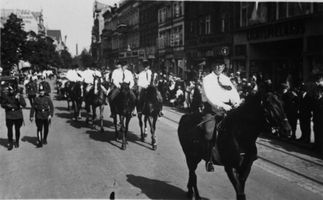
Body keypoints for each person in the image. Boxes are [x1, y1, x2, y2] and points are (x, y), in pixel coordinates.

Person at [201, 61, 241, 172]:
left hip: (228, 109)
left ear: (224, 67)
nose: (219, 67)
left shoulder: (226, 79)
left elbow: (234, 93)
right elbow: (210, 97)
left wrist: (236, 102)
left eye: (221, 65)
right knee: (209, 132)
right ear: (212, 66)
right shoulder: (207, 79)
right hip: (212, 109)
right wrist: (222, 106)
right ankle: (209, 159)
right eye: (216, 65)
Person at [1, 85, 26, 150]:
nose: (11, 91)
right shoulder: (6, 96)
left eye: (12, 90)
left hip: (18, 115)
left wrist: (19, 99)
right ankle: (10, 143)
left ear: (14, 90)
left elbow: (24, 104)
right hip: (9, 115)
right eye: (9, 90)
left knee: (17, 130)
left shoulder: (19, 95)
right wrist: (7, 106)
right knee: (9, 130)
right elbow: (2, 104)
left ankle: (17, 141)